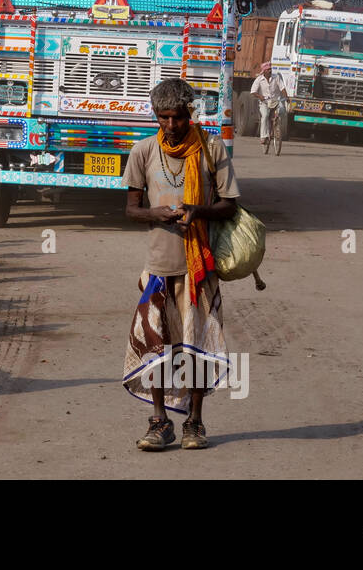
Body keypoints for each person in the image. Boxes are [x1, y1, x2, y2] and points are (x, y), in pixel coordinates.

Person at [122, 78, 240, 451]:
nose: (170, 126)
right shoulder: (142, 152)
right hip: (158, 266)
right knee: (156, 345)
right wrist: (154, 214)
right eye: (162, 118)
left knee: (196, 345)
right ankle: (160, 422)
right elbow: (131, 209)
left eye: (176, 117)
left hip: (199, 268)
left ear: (190, 113)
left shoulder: (211, 149)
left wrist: (198, 211)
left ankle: (195, 422)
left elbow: (230, 205)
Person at [250, 62, 288, 147]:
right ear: (264, 71)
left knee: (282, 109)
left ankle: (276, 126)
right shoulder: (259, 79)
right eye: (268, 69)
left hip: (275, 101)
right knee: (265, 116)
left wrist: (286, 97)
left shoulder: (276, 77)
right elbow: (253, 92)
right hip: (264, 102)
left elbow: (282, 88)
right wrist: (261, 97)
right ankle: (264, 136)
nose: (270, 71)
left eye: (270, 69)